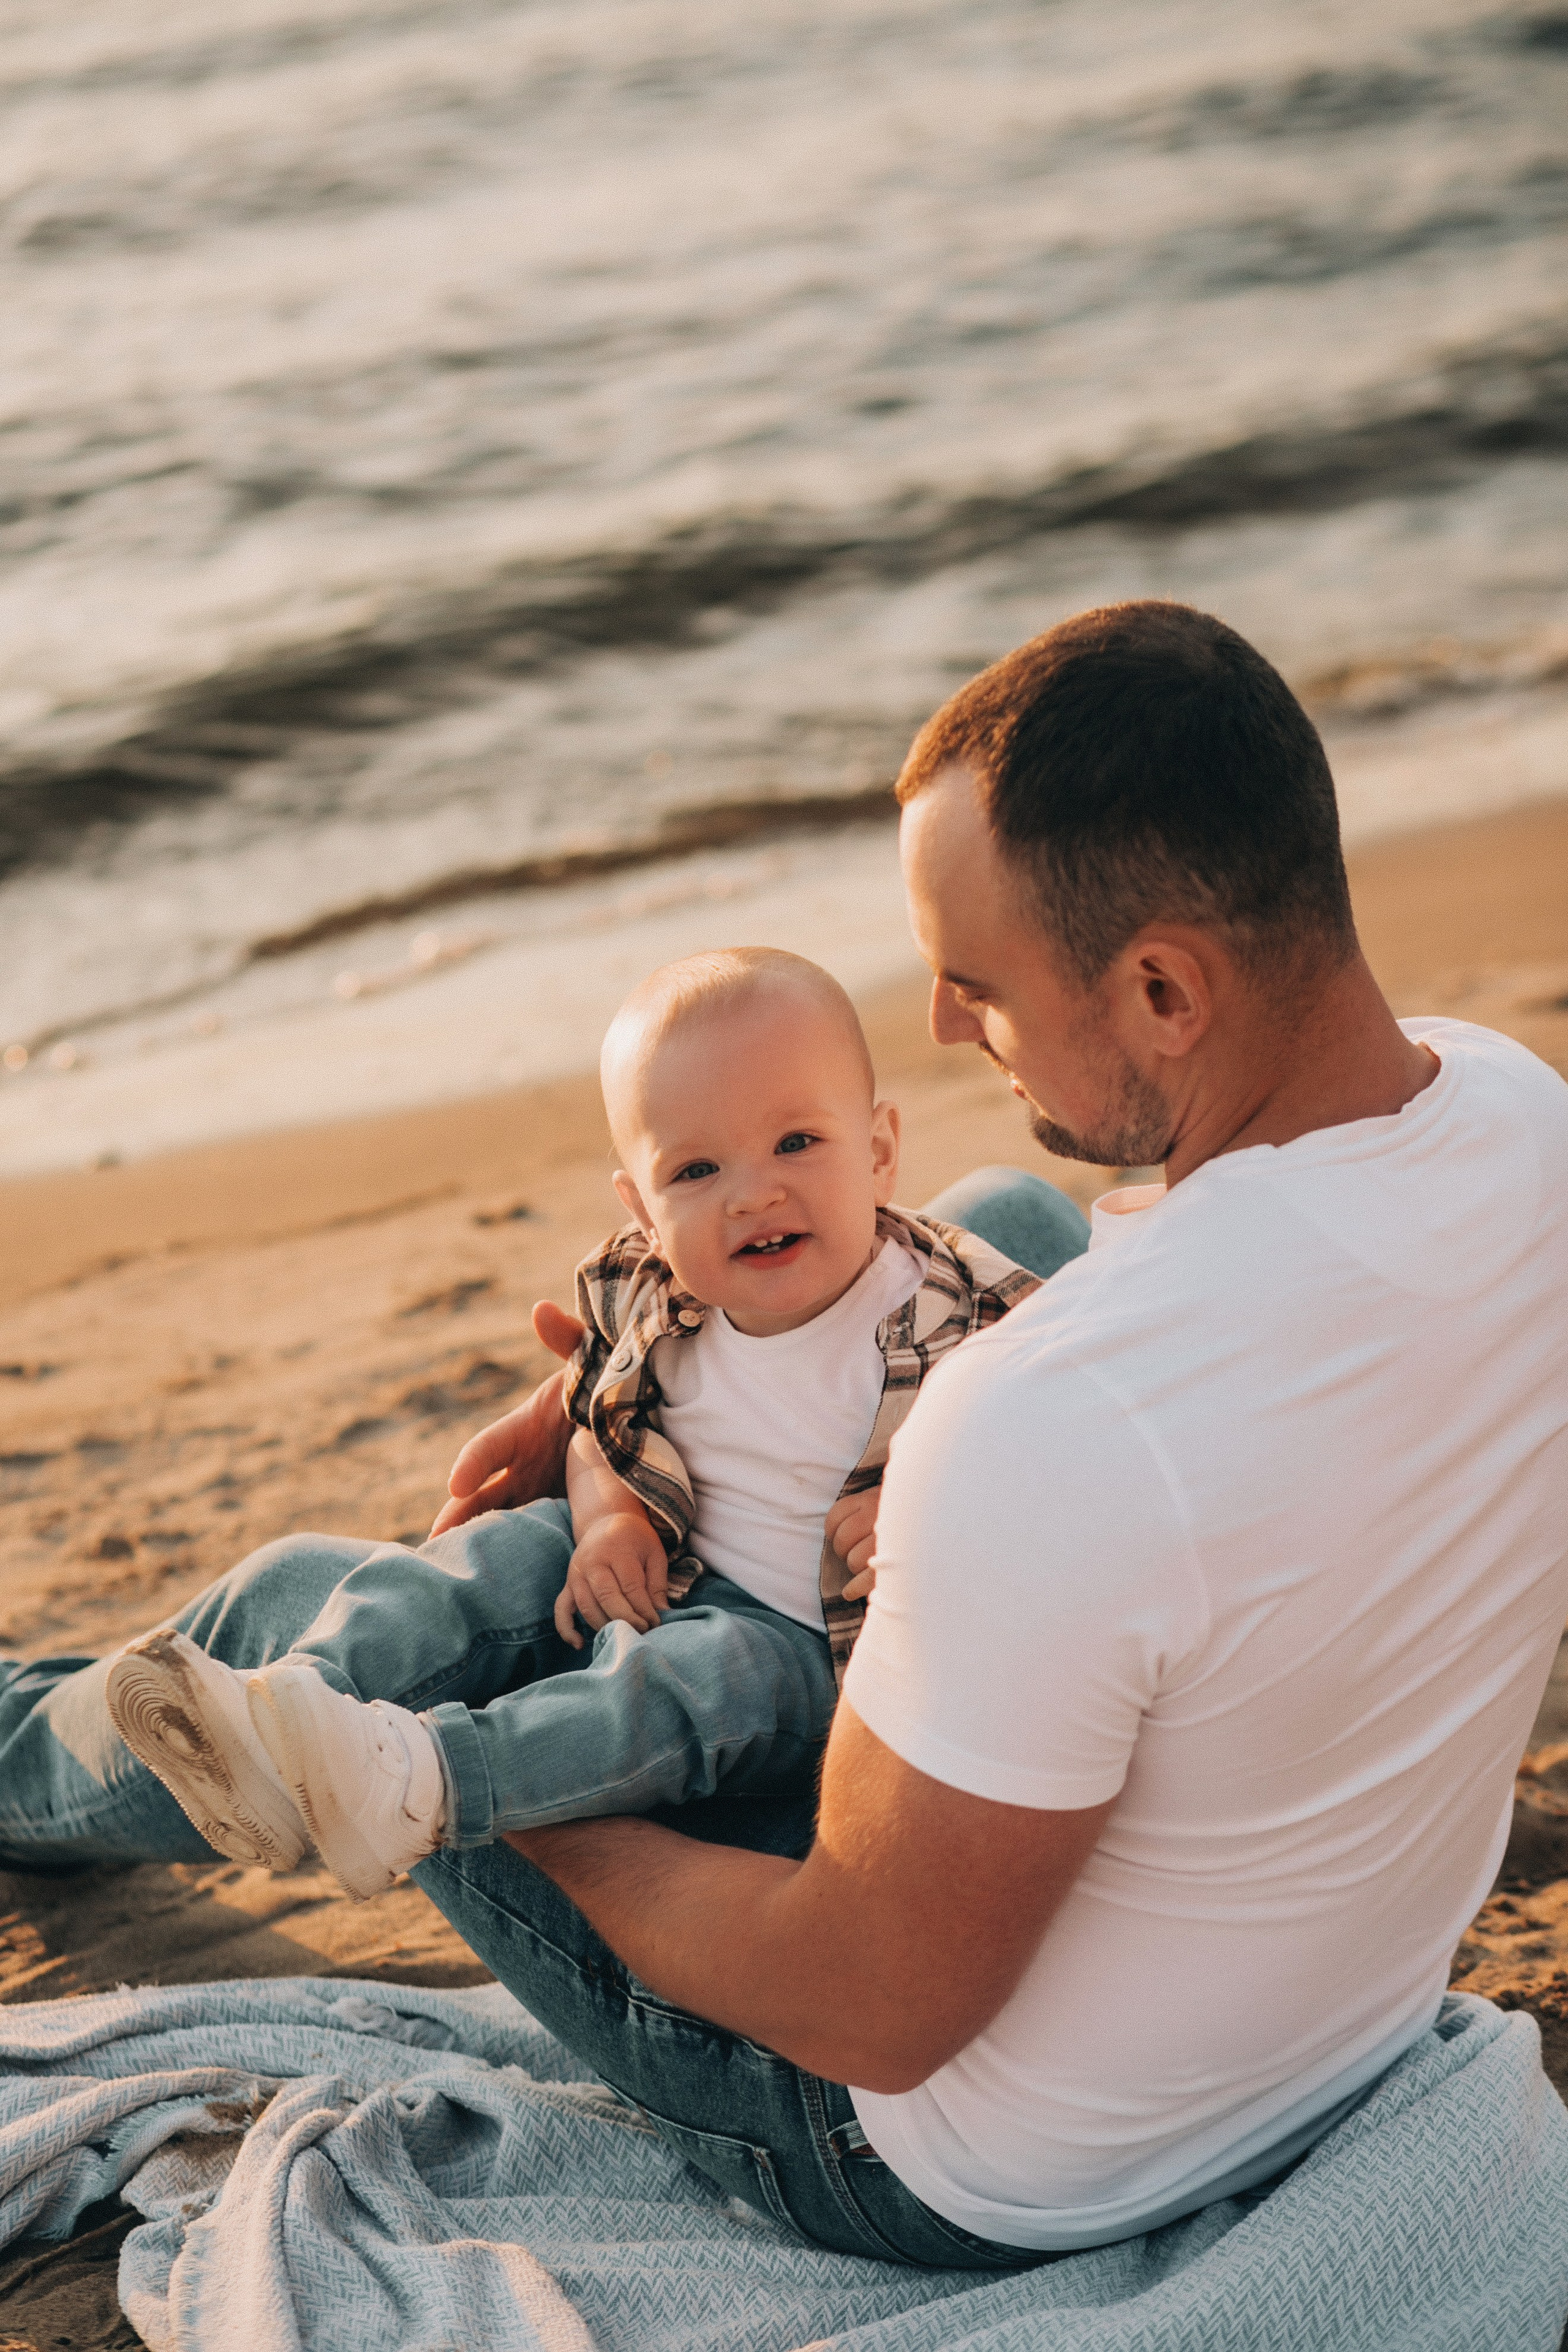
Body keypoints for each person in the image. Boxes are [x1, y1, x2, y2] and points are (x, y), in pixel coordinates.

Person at [3, 600, 1564, 2275]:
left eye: (978, 987)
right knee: (1009, 1201)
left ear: (1165, 985)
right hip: (1312, 2013)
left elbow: (871, 2006)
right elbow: (1106, 1339)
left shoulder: (1050, 1424)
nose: (953, 1027)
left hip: (946, 2151)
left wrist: (497, 1763)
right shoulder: (1511, 1114)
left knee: (343, 1613)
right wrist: (617, 1391)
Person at [98, 949, 1040, 1901]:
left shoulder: (953, 1310)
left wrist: (926, 1512)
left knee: (682, 1690)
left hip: (803, 1650)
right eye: (698, 1169)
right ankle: (286, 1711)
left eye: (797, 1143)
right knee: (490, 1559)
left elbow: (1056, 1453)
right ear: (642, 1206)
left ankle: (422, 1781)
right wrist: (608, 1521)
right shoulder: (659, 1297)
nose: (753, 1194)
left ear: (879, 1149)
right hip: (667, 1558)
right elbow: (601, 1430)